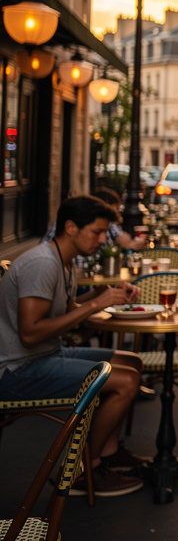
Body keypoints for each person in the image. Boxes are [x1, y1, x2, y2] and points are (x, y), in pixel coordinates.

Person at [0, 196, 146, 496]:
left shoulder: (62, 262)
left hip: (46, 354)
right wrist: (96, 304)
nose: (103, 240)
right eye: (96, 232)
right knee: (126, 381)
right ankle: (84, 470)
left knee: (132, 362)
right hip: (16, 370)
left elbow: (67, 310)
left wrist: (105, 293)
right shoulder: (42, 264)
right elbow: (30, 333)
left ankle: (108, 451)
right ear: (70, 227)